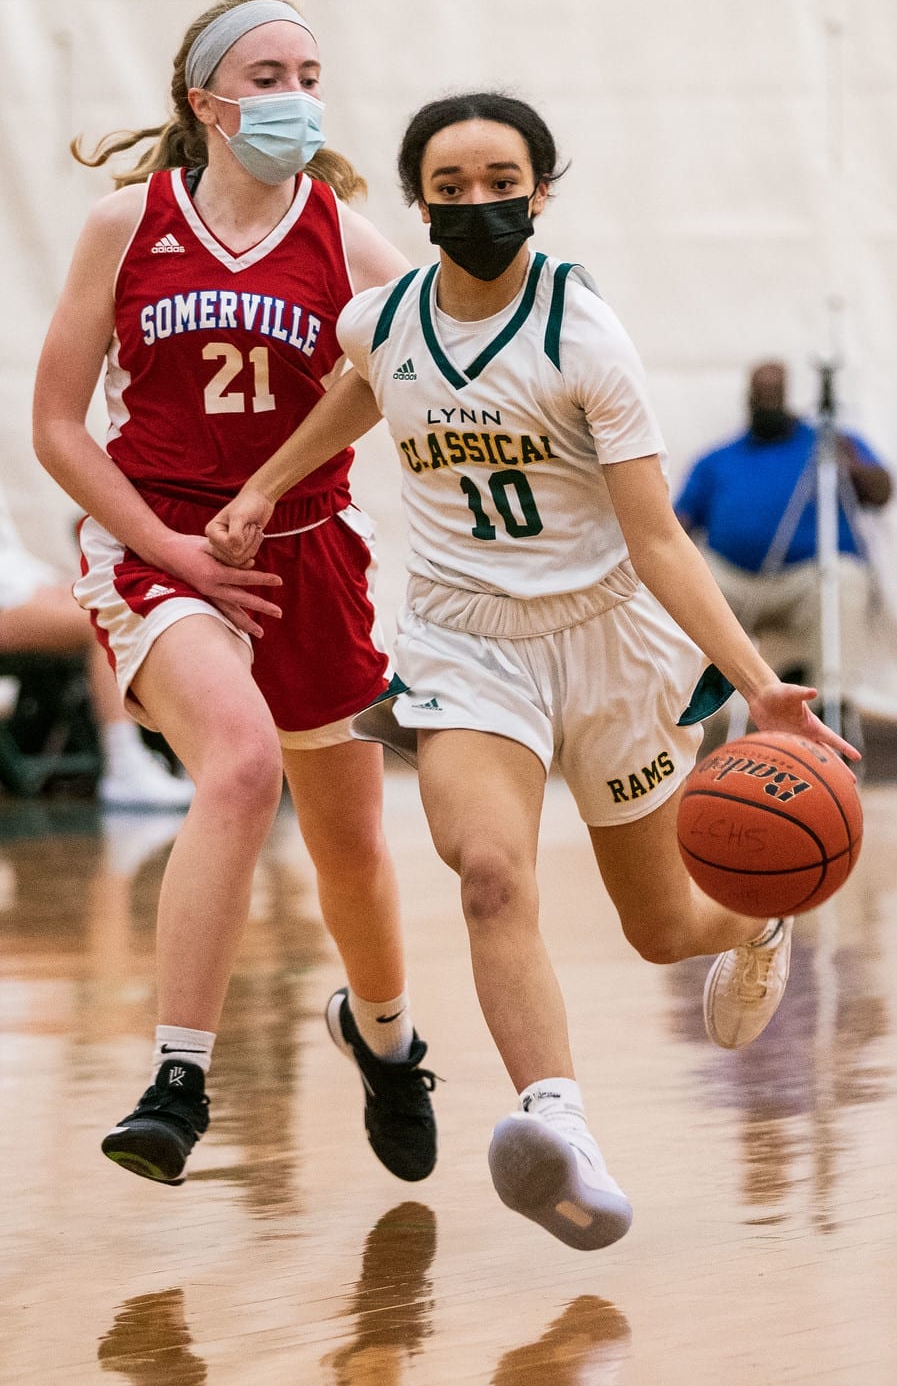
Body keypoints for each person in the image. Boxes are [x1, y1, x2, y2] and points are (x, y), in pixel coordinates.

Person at [210, 93, 858, 1252]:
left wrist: (755, 684)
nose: (475, 205)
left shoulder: (584, 337)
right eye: (447, 190)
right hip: (466, 642)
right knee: (488, 874)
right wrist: (264, 484)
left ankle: (756, 926)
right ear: (418, 203)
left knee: (661, 930)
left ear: (540, 193)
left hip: (606, 643)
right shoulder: (386, 317)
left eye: (498, 183)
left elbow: (655, 534)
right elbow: (362, 382)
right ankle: (558, 1126)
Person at [35, 0, 430, 1190]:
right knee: (243, 769)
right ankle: (176, 1078)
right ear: (205, 100)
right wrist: (166, 541)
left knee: (352, 848)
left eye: (310, 70)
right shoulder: (125, 225)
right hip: (159, 553)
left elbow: (413, 381)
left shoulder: (353, 242)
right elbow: (57, 425)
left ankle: (388, 1042)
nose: (295, 94)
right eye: (267, 75)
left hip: (306, 553)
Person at [0, 355, 194, 810]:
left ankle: (157, 751)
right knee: (104, 620)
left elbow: (6, 550)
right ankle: (124, 763)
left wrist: (49, 580)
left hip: (12, 597)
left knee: (113, 601)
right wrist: (28, 586)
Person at [675, 360, 892, 693]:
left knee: (845, 578)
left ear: (787, 397)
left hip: (804, 582)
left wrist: (852, 467)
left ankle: (833, 705)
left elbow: (881, 493)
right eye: (760, 396)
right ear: (748, 399)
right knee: (678, 583)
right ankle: (680, 704)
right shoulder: (716, 460)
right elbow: (678, 525)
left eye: (773, 395)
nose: (766, 404)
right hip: (733, 582)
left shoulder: (827, 446)